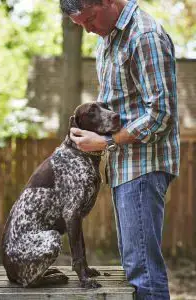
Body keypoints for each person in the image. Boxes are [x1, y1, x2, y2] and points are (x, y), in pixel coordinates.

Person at [60, 0, 180, 298]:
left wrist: (107, 142)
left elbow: (161, 114)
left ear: (107, 1)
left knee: (143, 271)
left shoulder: (144, 36)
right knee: (133, 266)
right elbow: (115, 106)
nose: (88, 30)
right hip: (124, 166)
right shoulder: (108, 39)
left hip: (143, 166)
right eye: (81, 25)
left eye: (90, 19)